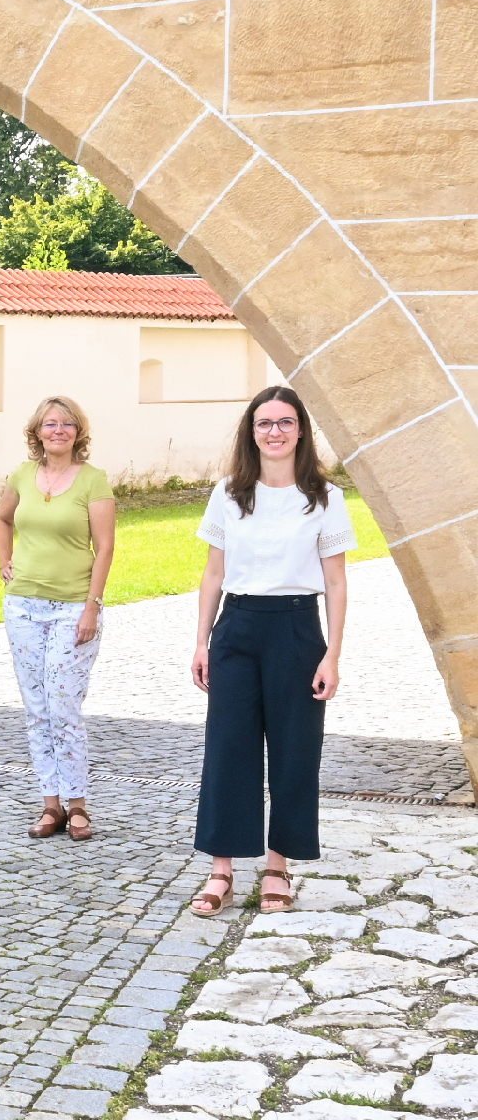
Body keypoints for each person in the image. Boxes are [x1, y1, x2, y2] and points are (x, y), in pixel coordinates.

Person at [189, 386, 355, 917]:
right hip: (236, 629)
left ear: (301, 430)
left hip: (296, 630)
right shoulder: (229, 493)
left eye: (286, 422)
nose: (275, 432)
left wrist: (331, 654)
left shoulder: (324, 498)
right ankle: (221, 871)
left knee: (294, 750)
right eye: (265, 423)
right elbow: (213, 572)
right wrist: (202, 641)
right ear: (251, 432)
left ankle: (278, 868)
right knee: (228, 749)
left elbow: (336, 582)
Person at [0, 396, 116, 841]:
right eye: (50, 423)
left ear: (77, 432)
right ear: (38, 431)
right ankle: (50, 804)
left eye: (66, 424)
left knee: (63, 703)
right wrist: (5, 562)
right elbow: (2, 520)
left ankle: (78, 803)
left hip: (72, 608)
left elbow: (105, 547)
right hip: (23, 605)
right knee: (37, 707)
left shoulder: (93, 481)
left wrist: (92, 605)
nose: (58, 430)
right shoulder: (24, 475)